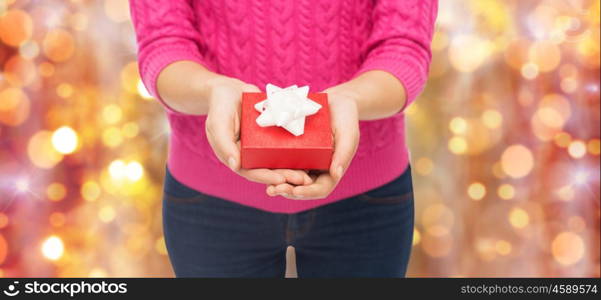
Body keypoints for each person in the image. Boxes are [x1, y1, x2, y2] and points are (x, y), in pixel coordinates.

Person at [130, 0, 437, 277]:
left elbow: (404, 47)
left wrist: (352, 99)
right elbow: (163, 44)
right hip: (209, 197)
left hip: (367, 197)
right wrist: (212, 90)